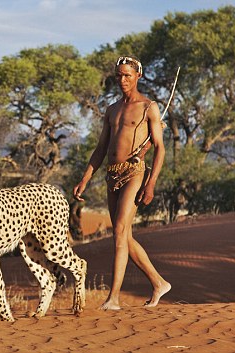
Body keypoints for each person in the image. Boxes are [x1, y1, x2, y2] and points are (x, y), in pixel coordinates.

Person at [73, 56, 171, 310]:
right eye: (118, 75)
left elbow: (160, 148)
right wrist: (85, 178)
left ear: (138, 76)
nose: (122, 80)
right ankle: (159, 282)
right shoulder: (112, 109)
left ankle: (113, 298)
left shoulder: (148, 108)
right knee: (123, 234)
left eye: (127, 75)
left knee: (118, 229)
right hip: (111, 174)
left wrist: (151, 183)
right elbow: (101, 148)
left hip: (134, 174)